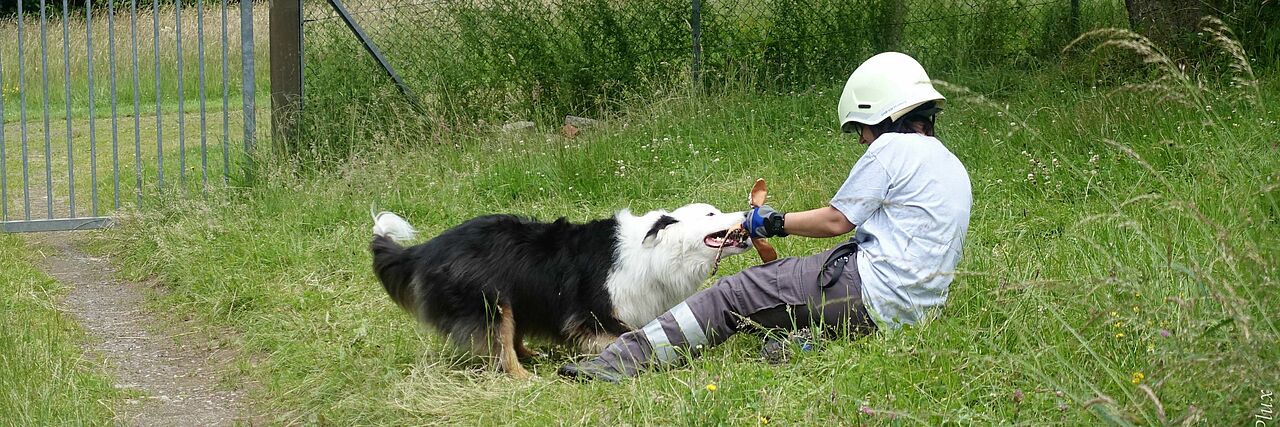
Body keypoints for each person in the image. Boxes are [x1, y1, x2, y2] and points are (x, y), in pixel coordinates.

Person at [558, 52, 972, 382]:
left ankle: (616, 363)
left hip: (871, 294)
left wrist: (772, 223)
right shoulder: (953, 166)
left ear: (881, 112)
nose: (862, 140)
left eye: (861, 128)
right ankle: (801, 341)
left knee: (735, 294)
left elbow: (835, 221)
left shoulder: (893, 149)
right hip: (914, 311)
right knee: (784, 290)